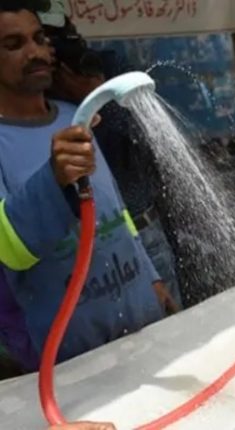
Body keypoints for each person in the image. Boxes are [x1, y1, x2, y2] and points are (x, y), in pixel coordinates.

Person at [0, 1, 167, 370]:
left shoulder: (72, 116)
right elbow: (8, 250)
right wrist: (53, 179)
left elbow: (114, 207)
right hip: (71, 355)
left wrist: (150, 277)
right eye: (13, 44)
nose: (36, 53)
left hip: (139, 317)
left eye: (39, 39)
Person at [41, 14, 182, 312]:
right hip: (86, 246)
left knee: (170, 326)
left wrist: (92, 94)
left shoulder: (110, 67)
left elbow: (144, 137)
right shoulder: (45, 99)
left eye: (70, 36)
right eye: (52, 41)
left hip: (144, 230)